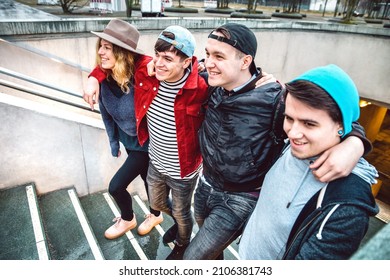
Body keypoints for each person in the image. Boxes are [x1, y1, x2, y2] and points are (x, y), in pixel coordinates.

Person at [183, 23, 371, 260]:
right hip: (205, 183)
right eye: (208, 54)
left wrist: (355, 142)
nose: (209, 62)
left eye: (218, 56)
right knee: (208, 248)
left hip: (239, 199)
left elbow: (337, 115)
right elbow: (172, 69)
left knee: (192, 259)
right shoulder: (209, 84)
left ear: (245, 61)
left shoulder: (274, 97)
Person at [85, 25, 210, 260]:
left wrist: (259, 79)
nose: (160, 63)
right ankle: (174, 221)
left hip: (183, 169)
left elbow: (228, 87)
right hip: (155, 161)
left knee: (183, 212)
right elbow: (122, 61)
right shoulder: (147, 75)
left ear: (186, 62)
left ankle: (182, 243)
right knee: (158, 203)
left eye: (168, 58)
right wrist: (93, 77)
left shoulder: (200, 87)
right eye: (158, 56)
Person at [239, 64, 379, 260]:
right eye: (289, 118)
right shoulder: (294, 145)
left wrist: (356, 142)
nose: (293, 133)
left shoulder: (347, 206)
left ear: (342, 125)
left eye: (309, 124)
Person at [89, 19, 163, 240]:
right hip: (129, 142)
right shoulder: (106, 77)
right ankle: (156, 214)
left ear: (122, 53)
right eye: (100, 45)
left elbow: (156, 64)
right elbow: (106, 114)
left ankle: (128, 218)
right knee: (146, 178)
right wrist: (113, 141)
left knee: (116, 187)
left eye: (108, 47)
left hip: (147, 144)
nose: (101, 52)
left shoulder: (142, 73)